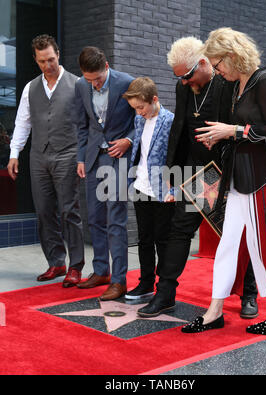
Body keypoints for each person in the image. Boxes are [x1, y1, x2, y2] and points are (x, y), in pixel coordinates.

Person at [182, 27, 266, 336]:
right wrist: (222, 135)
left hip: (262, 176)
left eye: (218, 64)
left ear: (231, 56)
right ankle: (214, 311)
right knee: (228, 245)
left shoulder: (264, 81)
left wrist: (231, 131)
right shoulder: (238, 85)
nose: (217, 71)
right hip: (240, 176)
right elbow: (243, 129)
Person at [138, 37, 258, 318]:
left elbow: (242, 128)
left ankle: (248, 295)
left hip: (227, 172)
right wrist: (171, 172)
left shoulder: (228, 83)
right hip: (194, 171)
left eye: (187, 75)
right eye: (178, 77)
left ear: (204, 63)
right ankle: (165, 294)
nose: (183, 82)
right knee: (178, 231)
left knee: (238, 235)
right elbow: (178, 128)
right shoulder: (185, 88)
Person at [7, 34, 85, 288]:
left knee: (68, 211)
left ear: (58, 55)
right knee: (43, 211)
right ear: (36, 60)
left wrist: (83, 156)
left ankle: (75, 266)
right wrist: (14, 154)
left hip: (68, 153)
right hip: (39, 156)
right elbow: (22, 123)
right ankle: (56, 262)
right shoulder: (31, 88)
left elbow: (87, 124)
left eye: (51, 59)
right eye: (42, 61)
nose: (47, 65)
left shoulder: (77, 84)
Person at [75, 46, 135, 301]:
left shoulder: (127, 82)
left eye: (98, 78)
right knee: (95, 218)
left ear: (107, 66)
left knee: (116, 218)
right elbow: (81, 125)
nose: (95, 84)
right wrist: (80, 157)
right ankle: (101, 271)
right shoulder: (81, 86)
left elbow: (141, 120)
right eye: (90, 80)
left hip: (119, 158)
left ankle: (119, 281)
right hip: (93, 158)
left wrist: (128, 141)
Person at [122, 77, 175, 300]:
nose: (139, 112)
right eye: (135, 108)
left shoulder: (171, 120)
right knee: (144, 239)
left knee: (162, 240)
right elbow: (140, 152)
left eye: (141, 107)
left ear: (154, 99)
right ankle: (145, 283)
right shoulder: (139, 120)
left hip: (163, 190)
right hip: (141, 185)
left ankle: (164, 289)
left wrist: (174, 189)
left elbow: (175, 156)